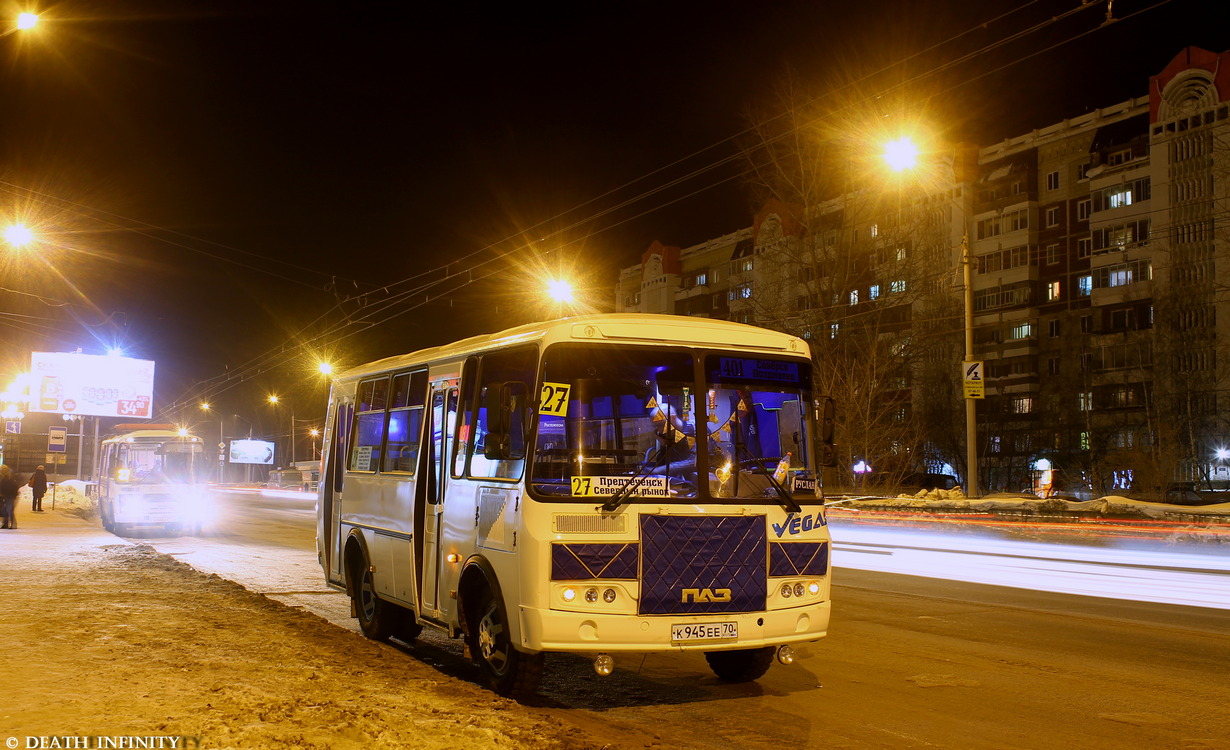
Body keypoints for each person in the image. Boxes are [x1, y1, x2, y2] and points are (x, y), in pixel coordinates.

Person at [0, 464, 19, 529]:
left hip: (10, 495)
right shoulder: (3, 477)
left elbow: (14, 485)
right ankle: (5, 523)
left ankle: (12, 523)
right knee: (4, 510)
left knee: (9, 509)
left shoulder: (10, 477)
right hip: (4, 495)